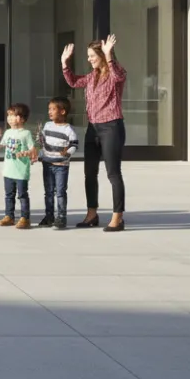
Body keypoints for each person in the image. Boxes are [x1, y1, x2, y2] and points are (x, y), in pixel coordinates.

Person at [62, 33, 128, 232]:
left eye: (92, 56)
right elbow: (74, 82)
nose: (89, 59)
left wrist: (109, 55)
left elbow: (118, 76)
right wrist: (64, 63)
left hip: (111, 127)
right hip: (93, 128)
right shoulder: (92, 76)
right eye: (88, 56)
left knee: (113, 173)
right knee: (89, 173)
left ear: (102, 55)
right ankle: (92, 214)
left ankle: (117, 217)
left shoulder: (116, 73)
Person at [0, 103, 38, 229]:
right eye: (8, 116)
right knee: (9, 195)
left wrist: (25, 153)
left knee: (22, 195)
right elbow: (4, 144)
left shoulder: (26, 133)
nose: (9, 118)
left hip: (21, 171)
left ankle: (25, 218)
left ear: (22, 118)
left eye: (13, 115)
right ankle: (9, 216)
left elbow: (33, 149)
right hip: (8, 170)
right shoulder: (8, 132)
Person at [38, 97, 78, 229]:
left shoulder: (68, 129)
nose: (49, 111)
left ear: (62, 111)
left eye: (53, 109)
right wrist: (38, 151)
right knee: (48, 192)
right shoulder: (47, 125)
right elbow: (42, 142)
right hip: (47, 164)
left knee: (60, 192)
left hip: (61, 166)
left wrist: (68, 153)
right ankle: (49, 216)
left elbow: (74, 145)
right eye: (49, 109)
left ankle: (61, 217)